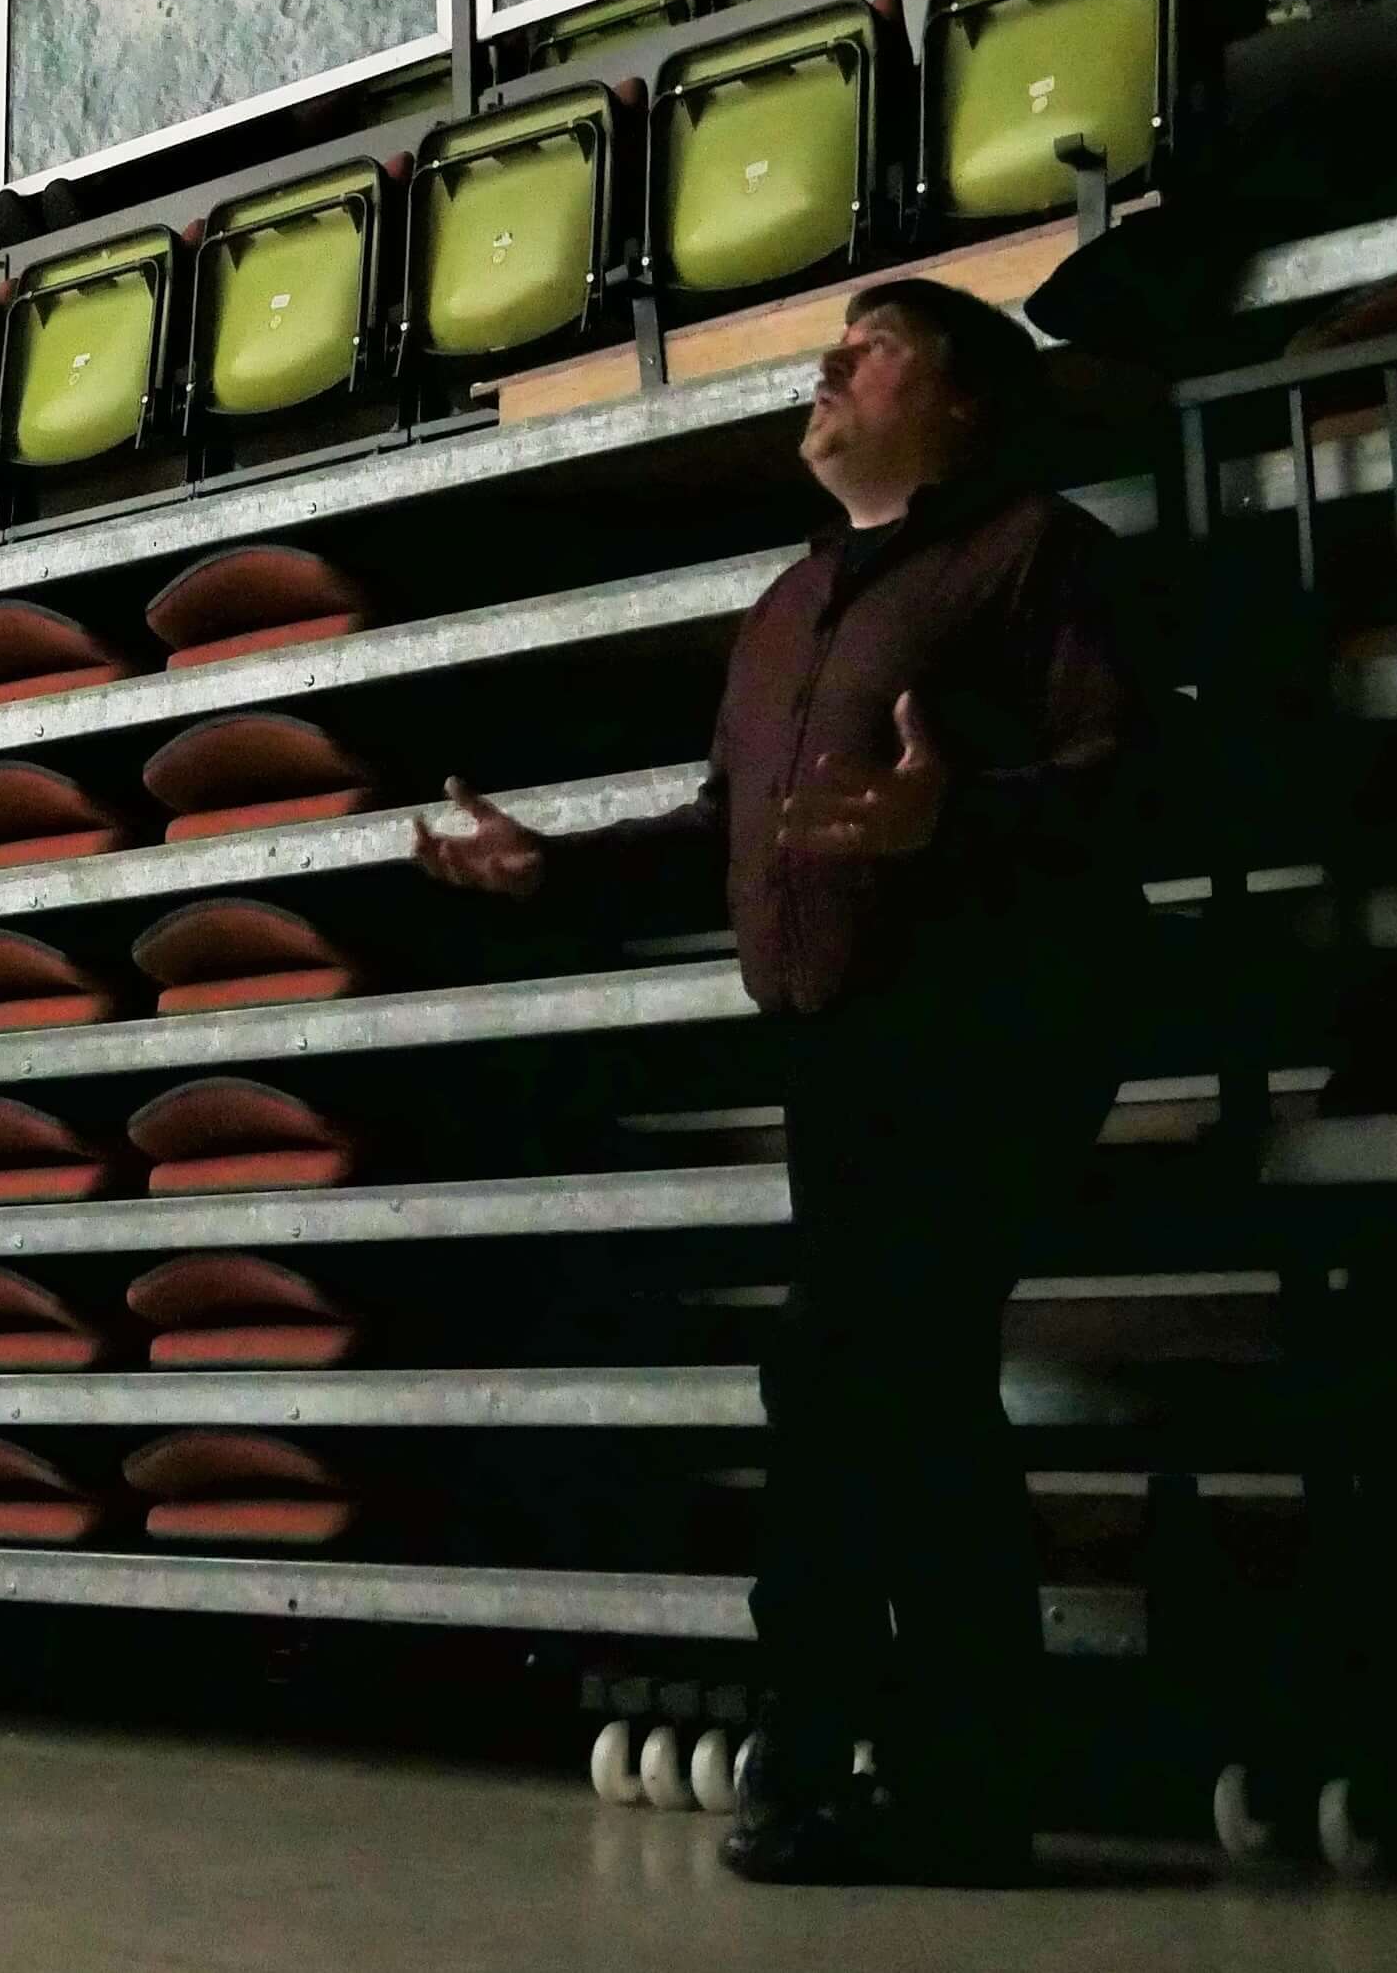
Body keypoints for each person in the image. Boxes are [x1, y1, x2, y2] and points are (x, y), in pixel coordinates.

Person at [413, 279, 1145, 1886]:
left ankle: (902, 1782)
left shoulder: (1041, 553)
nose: (824, 370)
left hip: (989, 1028)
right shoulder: (790, 603)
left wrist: (952, 820)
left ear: (960, 403)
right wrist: (554, 872)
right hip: (845, 1050)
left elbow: (1127, 781)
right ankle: (868, 1773)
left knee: (876, 1382)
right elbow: (716, 829)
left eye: (870, 349)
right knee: (874, 1392)